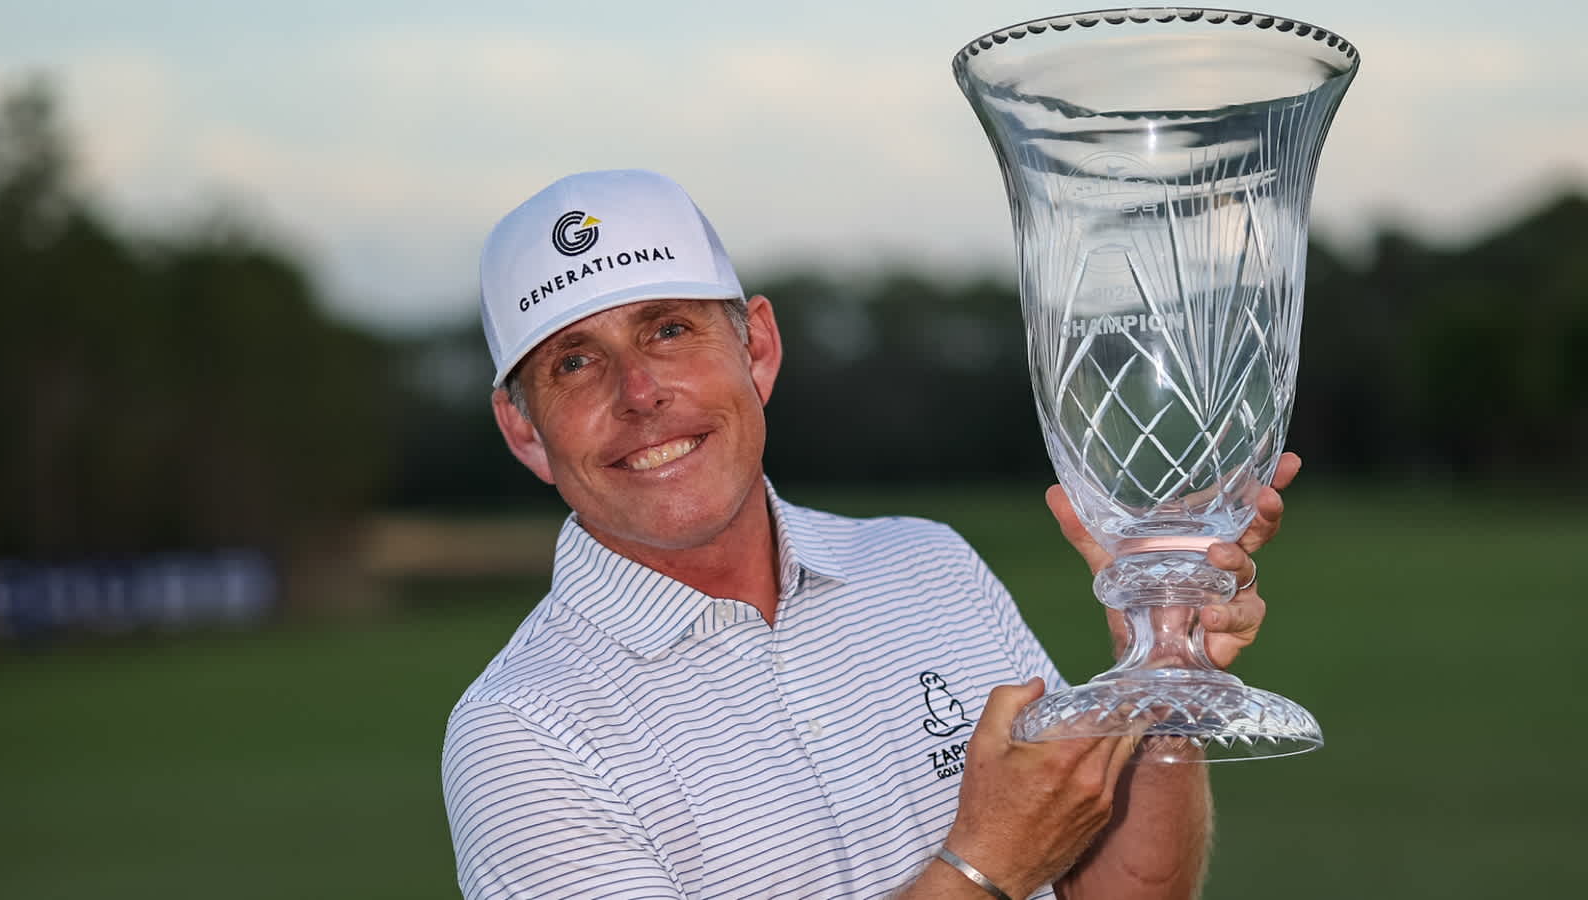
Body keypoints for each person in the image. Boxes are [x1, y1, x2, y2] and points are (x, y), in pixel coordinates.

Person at [441, 169, 1297, 899]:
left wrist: (1154, 664)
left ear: (759, 349)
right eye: (575, 363)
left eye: (669, 329)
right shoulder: (521, 734)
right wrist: (981, 865)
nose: (638, 392)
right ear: (524, 431)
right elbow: (1006, 862)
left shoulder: (927, 564)